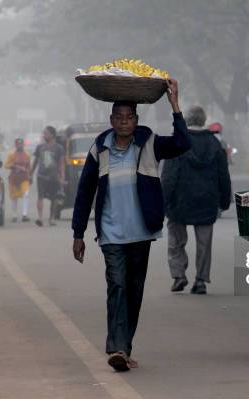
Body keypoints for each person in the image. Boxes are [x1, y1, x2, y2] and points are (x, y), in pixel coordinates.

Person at [72, 79, 190, 372]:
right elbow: (85, 192)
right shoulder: (99, 147)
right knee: (117, 286)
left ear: (136, 120)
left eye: (130, 118)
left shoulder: (149, 142)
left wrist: (174, 105)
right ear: (111, 120)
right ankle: (118, 349)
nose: (124, 122)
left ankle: (125, 347)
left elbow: (182, 143)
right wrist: (78, 233)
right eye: (119, 118)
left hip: (141, 232)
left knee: (134, 292)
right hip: (111, 234)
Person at [161, 105, 231, 295]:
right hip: (207, 201)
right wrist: (225, 200)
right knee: (204, 244)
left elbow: (169, 176)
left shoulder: (178, 142)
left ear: (187, 120)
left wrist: (163, 201)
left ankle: (178, 275)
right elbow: (223, 175)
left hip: (179, 201)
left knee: (176, 241)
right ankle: (200, 280)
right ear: (203, 120)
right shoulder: (215, 144)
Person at [30, 126, 65, 227]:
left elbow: (61, 163)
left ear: (52, 135)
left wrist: (62, 176)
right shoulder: (40, 147)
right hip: (41, 176)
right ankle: (40, 218)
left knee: (54, 199)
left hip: (54, 177)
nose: (44, 135)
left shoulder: (59, 148)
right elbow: (35, 162)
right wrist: (30, 174)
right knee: (40, 196)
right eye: (44, 133)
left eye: (46, 133)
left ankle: (51, 218)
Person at [5, 138, 31, 223]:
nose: (20, 145)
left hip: (24, 178)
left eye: (21, 144)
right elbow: (6, 165)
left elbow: (29, 166)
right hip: (14, 178)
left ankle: (24, 215)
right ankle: (14, 215)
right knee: (14, 197)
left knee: (26, 194)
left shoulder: (27, 154)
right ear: (15, 145)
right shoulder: (11, 154)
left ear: (23, 145)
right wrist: (14, 166)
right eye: (18, 144)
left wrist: (30, 176)